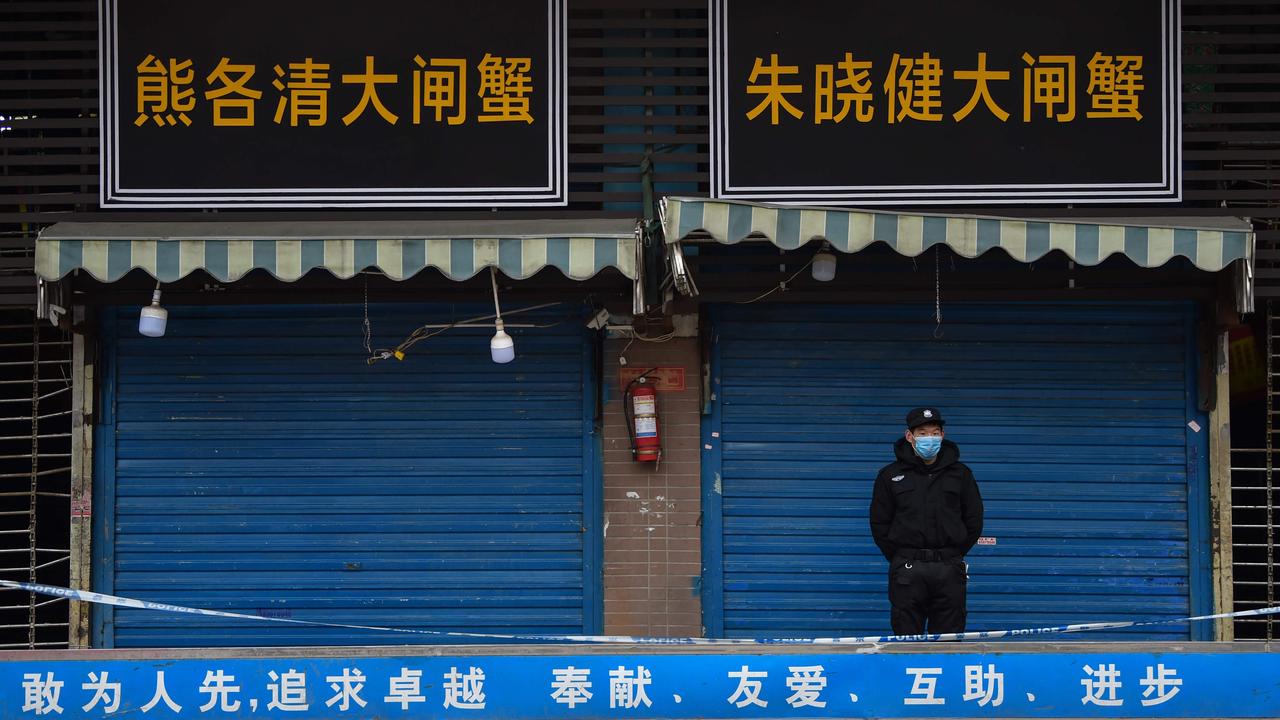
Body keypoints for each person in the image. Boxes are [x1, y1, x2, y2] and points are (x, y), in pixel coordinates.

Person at [869, 407, 983, 636]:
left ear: (942, 435)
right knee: (906, 637)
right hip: (908, 568)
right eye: (922, 433)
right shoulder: (890, 475)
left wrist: (953, 554)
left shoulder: (961, 474)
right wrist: (902, 556)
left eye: (934, 432)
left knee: (949, 638)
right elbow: (880, 523)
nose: (929, 438)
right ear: (909, 436)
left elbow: (974, 520)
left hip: (949, 566)